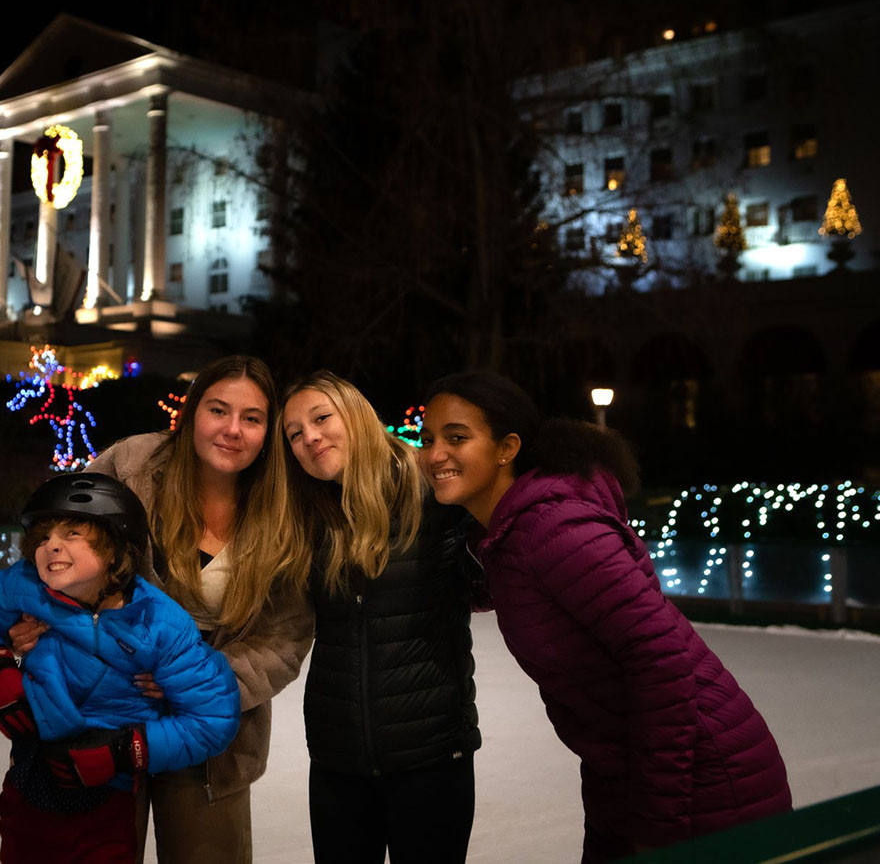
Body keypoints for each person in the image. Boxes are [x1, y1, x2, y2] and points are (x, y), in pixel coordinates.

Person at [419, 370, 792, 863]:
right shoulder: (507, 539)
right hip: (628, 781)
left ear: (507, 448)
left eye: (457, 437)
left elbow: (661, 662)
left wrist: (659, 825)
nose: (434, 454)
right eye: (427, 439)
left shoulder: (554, 529)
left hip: (708, 785)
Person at [11, 355, 314, 864]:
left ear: (268, 431)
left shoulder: (285, 511)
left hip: (211, 740)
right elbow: (59, 536)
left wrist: (206, 678)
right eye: (219, 410)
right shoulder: (134, 467)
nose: (233, 430)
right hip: (100, 715)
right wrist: (33, 612)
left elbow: (283, 639)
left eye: (253, 418)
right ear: (193, 411)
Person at [0, 472, 241, 864]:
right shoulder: (23, 587)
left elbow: (213, 718)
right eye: (44, 537)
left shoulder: (158, 622)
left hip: (108, 797)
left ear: (116, 548)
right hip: (28, 780)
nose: (52, 546)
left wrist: (127, 750)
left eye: (71, 534)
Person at [281, 370, 481, 864]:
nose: (310, 437)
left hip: (430, 753)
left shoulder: (432, 491)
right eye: (294, 433)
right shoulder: (303, 516)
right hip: (336, 758)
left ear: (357, 415)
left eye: (321, 417)